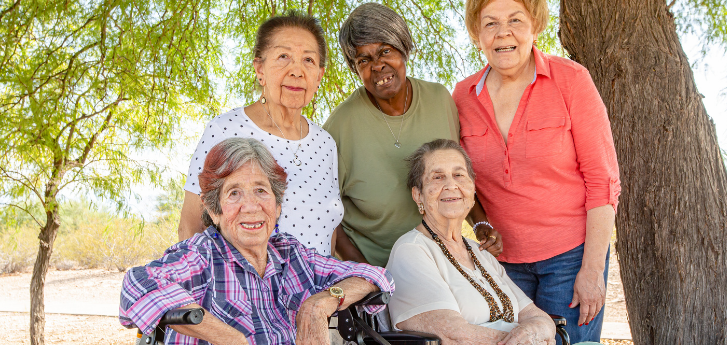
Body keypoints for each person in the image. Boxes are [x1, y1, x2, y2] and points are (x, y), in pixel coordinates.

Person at [452, 0, 622, 343]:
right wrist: (480, 226)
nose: (504, 33)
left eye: (515, 20)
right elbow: (461, 180)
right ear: (476, 34)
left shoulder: (572, 80)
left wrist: (591, 270)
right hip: (503, 265)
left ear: (535, 25)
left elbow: (602, 182)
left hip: (571, 257)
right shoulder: (463, 95)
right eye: (490, 24)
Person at [120, 138, 394, 345]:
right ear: (214, 210)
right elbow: (137, 285)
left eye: (261, 191)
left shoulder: (290, 255)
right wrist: (233, 340)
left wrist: (321, 303)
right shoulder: (202, 255)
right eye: (234, 193)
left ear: (277, 206)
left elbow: (374, 275)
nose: (251, 207)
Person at [323, 2, 501, 268]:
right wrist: (368, 275)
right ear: (355, 68)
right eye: (364, 59)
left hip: (445, 264)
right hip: (380, 270)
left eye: (386, 51)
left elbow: (457, 176)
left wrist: (481, 225)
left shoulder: (440, 100)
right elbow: (327, 216)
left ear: (404, 47)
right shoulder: (339, 126)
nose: (378, 65)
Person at [178, 12, 342, 256]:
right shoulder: (225, 130)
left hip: (318, 290)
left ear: (319, 76)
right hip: (244, 292)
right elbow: (190, 228)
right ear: (260, 69)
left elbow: (329, 230)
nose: (297, 71)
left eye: (308, 60)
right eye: (283, 56)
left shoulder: (325, 143)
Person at [386, 139, 571, 345]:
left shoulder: (480, 251)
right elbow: (451, 335)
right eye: (437, 177)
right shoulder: (412, 250)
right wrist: (526, 341)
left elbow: (536, 316)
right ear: (418, 194)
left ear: (472, 190)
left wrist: (536, 330)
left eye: (459, 175)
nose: (451, 185)